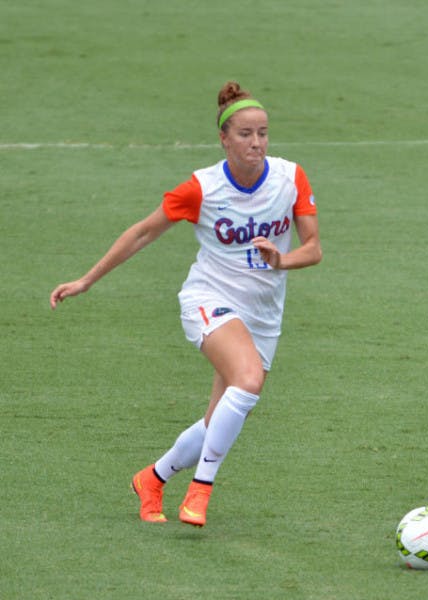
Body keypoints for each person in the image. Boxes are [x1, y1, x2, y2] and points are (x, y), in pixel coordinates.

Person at [49, 82, 322, 527]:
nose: (256, 143)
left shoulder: (291, 178)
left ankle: (152, 479)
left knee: (222, 415)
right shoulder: (202, 188)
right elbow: (142, 232)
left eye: (263, 133)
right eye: (245, 134)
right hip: (209, 300)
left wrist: (282, 258)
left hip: (264, 315)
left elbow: (313, 249)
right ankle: (201, 489)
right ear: (223, 138)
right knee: (248, 380)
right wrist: (86, 279)